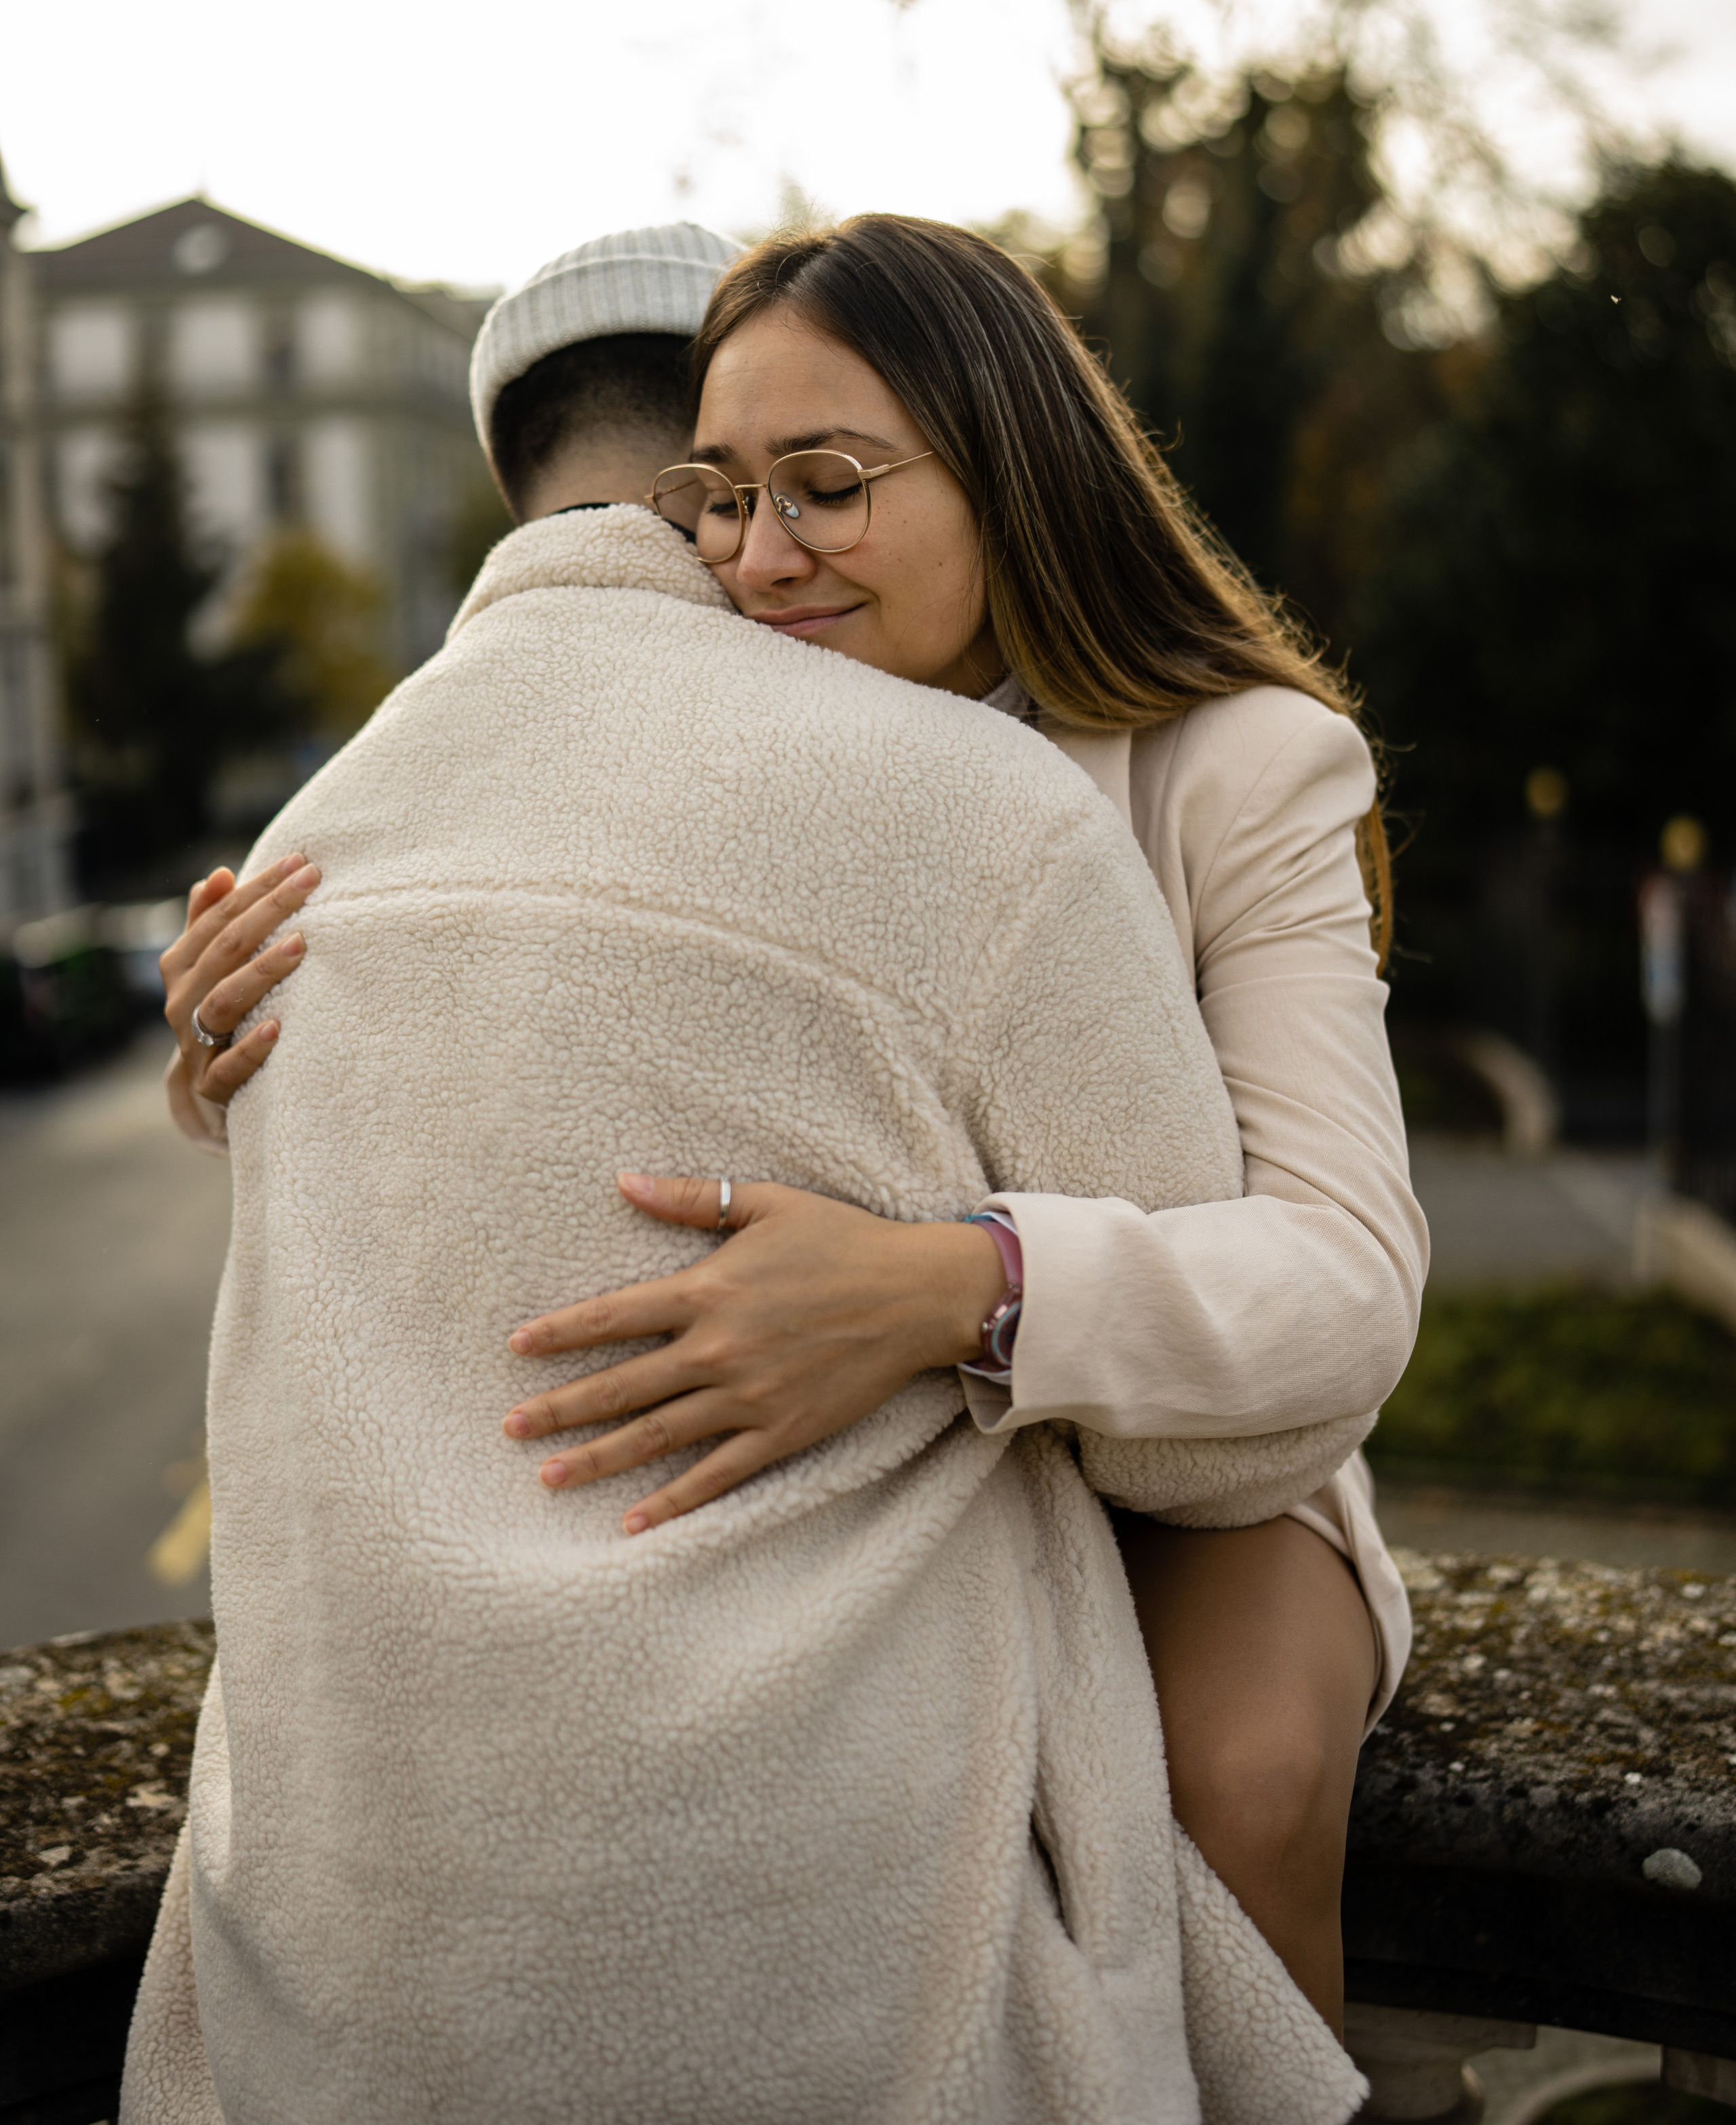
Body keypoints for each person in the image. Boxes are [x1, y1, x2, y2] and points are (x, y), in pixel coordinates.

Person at [130, 224, 1372, 2125]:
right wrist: (239, 1053)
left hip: (1193, 1394)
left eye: (829, 489)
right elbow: (518, 1041)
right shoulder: (701, 731)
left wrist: (951, 1284)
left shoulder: (1236, 766)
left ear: (1010, 463)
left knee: (1244, 1779)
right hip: (886, 1470)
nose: (759, 555)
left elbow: (1340, 1273)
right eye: (722, 499)